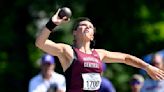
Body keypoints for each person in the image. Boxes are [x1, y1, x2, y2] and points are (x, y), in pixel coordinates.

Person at [35, 8, 164, 92]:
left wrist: (147, 67)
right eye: (83, 25)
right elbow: (40, 43)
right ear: (74, 32)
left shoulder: (100, 54)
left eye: (90, 27)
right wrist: (53, 23)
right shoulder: (68, 51)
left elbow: (126, 58)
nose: (87, 27)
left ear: (92, 36)